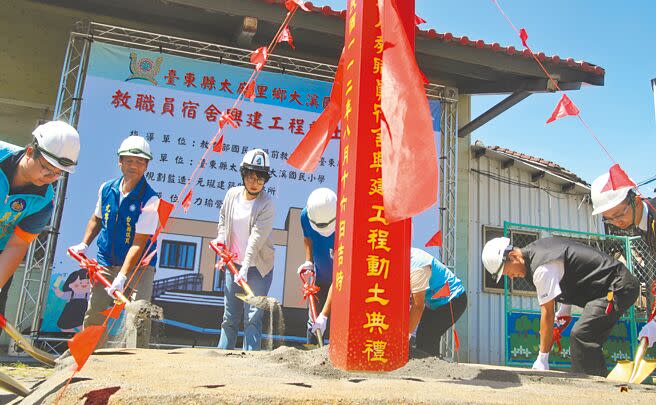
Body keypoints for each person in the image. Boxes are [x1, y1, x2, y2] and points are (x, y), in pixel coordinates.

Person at [482, 236, 639, 376]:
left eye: (507, 271)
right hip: (606, 288)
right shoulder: (539, 249)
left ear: (513, 256)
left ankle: (593, 387)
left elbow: (547, 314)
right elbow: (573, 272)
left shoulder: (541, 268)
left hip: (617, 287)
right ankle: (593, 379)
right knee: (585, 335)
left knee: (582, 335)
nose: (510, 277)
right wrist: (565, 309)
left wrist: (542, 358)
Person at [69, 135, 159, 348]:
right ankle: (89, 357)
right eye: (128, 160)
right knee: (95, 313)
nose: (133, 166)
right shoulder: (106, 188)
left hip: (139, 268)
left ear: (146, 166)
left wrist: (122, 276)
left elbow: (139, 242)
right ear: (120, 162)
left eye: (139, 162)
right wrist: (84, 244)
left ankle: (134, 365)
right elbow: (96, 219)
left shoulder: (150, 199)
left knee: (138, 315)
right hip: (106, 262)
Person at [0, 121, 80, 319]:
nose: (49, 176)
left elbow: (17, 245)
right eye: (46, 167)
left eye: (57, 174)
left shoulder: (44, 202)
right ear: (29, 151)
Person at [215, 149, 275, 351]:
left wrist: (246, 267)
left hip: (258, 269)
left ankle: (250, 364)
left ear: (266, 180)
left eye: (260, 178)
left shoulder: (267, 204)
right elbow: (223, 219)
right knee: (229, 316)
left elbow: (256, 239)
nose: (255, 182)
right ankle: (222, 358)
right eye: (251, 175)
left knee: (253, 317)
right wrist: (221, 239)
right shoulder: (232, 195)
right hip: (233, 265)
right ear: (243, 174)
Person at [590, 171, 656, 354]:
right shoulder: (645, 224)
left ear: (635, 200)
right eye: (609, 218)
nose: (616, 222)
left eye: (619, 214)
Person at [410, 248, 467, 356]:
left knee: (428, 337)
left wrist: (405, 337)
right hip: (435, 301)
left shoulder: (418, 267)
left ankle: (430, 368)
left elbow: (417, 306)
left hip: (453, 300)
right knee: (422, 337)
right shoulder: (408, 257)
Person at [298, 188, 336, 345]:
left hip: (342, 283)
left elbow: (340, 277)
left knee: (334, 323)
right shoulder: (305, 216)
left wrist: (325, 315)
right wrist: (309, 261)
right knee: (313, 324)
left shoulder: (347, 224)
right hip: (320, 279)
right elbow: (308, 237)